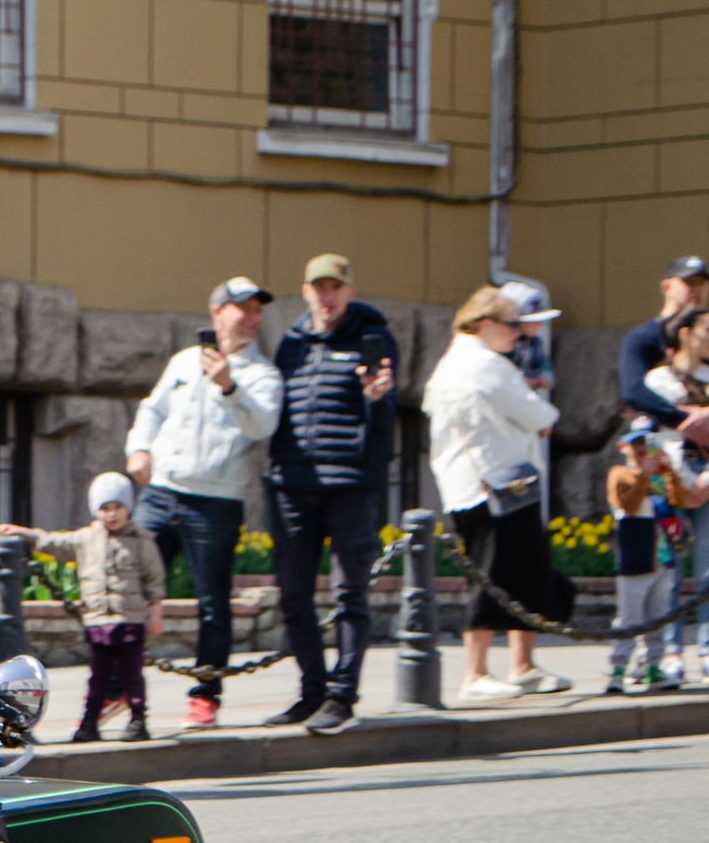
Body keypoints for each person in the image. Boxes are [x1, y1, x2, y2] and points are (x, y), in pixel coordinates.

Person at [125, 276, 284, 729]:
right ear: (217, 312)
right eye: (242, 308)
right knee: (128, 587)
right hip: (161, 493)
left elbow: (263, 427)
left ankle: (205, 695)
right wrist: (139, 448)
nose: (251, 318)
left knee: (212, 603)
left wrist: (231, 387)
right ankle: (118, 687)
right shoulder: (182, 362)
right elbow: (152, 409)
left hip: (215, 502)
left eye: (257, 310)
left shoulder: (262, 375)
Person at [263, 252, 399, 735]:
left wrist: (378, 401)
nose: (326, 295)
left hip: (350, 486)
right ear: (305, 292)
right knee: (293, 595)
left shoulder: (374, 337)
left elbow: (388, 423)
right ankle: (312, 691)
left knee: (349, 594)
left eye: (335, 286)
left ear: (349, 291)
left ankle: (343, 695)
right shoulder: (292, 344)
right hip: (292, 486)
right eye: (318, 287)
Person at [424, 287, 572, 701]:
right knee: (494, 576)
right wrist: (541, 416)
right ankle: (475, 673)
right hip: (494, 486)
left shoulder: (456, 360)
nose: (518, 334)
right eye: (511, 324)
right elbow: (539, 413)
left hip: (489, 485)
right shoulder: (485, 364)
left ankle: (521, 667)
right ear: (484, 324)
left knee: (525, 571)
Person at [0, 474, 165, 743]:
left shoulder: (141, 540)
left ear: (128, 508)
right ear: (96, 511)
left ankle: (138, 719)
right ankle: (90, 722)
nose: (111, 514)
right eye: (105, 508)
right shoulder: (86, 539)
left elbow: (154, 579)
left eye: (117, 507)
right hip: (98, 621)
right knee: (97, 677)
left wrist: (154, 613)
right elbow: (55, 543)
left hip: (129, 619)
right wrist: (26, 534)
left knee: (133, 675)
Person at [604, 427, 704, 694]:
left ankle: (653, 666)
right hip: (636, 558)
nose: (641, 451)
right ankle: (618, 669)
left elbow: (681, 501)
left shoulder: (660, 478)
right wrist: (643, 475)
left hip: (663, 557)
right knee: (629, 618)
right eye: (635, 445)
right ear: (622, 447)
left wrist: (670, 472)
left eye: (646, 445)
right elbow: (628, 504)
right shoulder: (621, 474)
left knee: (659, 616)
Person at [641, 307, 709, 677]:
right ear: (685, 333)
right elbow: (650, 437)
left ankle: (707, 649)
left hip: (706, 479)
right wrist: (681, 480)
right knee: (669, 567)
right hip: (671, 479)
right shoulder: (657, 381)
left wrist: (705, 481)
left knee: (707, 568)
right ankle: (669, 652)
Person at [618, 255, 709, 438]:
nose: (696, 289)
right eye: (688, 282)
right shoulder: (642, 338)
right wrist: (685, 420)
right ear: (666, 287)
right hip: (658, 437)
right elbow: (634, 391)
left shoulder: (706, 336)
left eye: (701, 282)